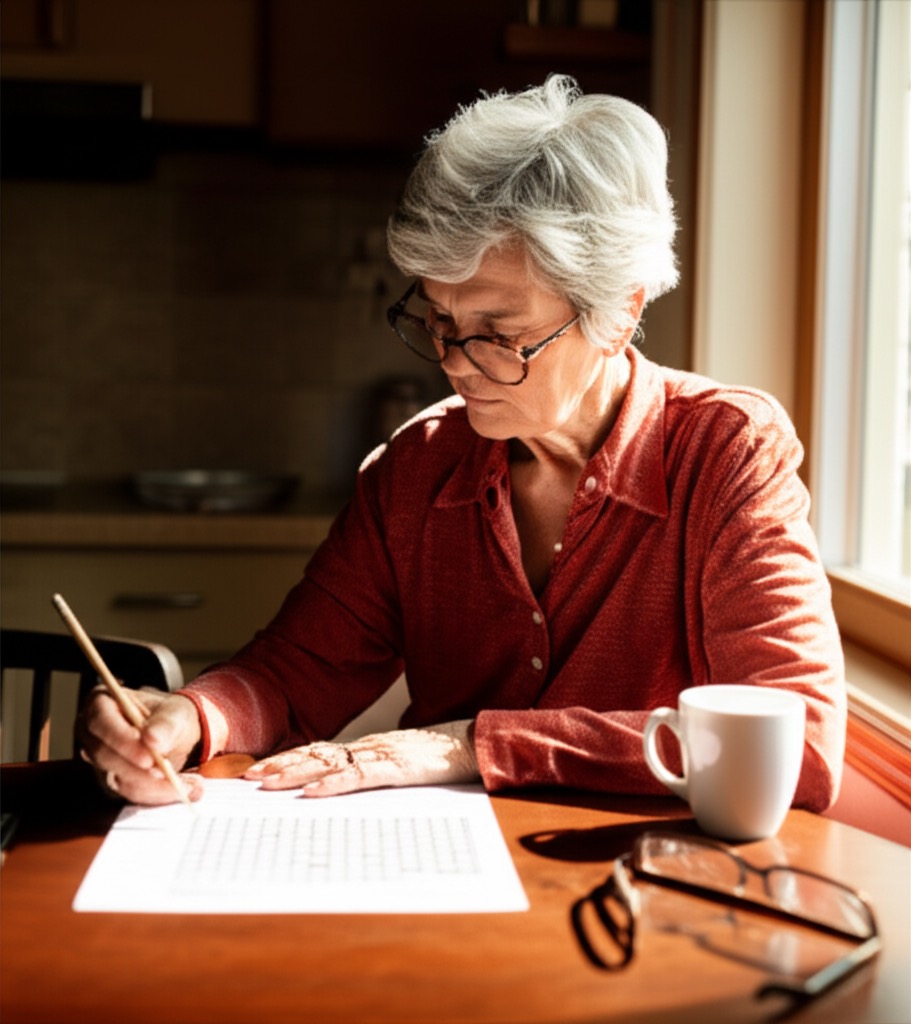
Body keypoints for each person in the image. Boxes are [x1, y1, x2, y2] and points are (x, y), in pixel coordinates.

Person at [78, 75, 846, 810]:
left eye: (498, 334)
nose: (451, 361)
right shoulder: (415, 469)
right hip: (445, 882)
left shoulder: (724, 451)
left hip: (641, 888)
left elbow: (798, 744)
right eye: (438, 322)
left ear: (617, 311)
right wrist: (185, 718)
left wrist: (473, 745)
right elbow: (292, 676)